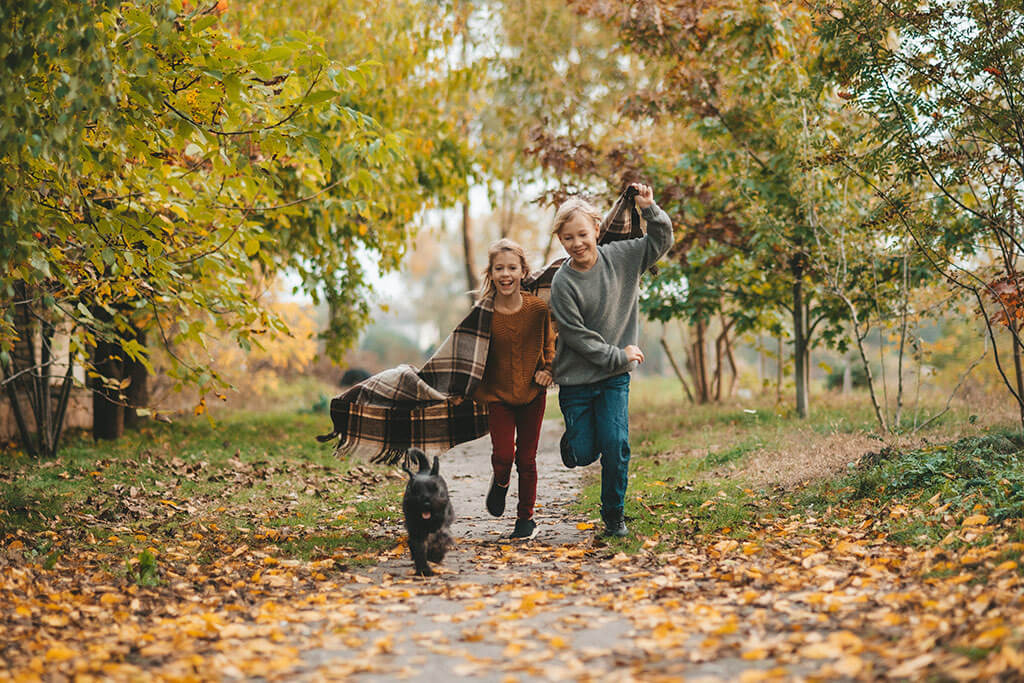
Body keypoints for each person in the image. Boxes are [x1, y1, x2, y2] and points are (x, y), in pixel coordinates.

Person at [549, 183, 673, 537]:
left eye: (583, 234)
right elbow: (577, 337)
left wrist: (650, 209)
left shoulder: (622, 257)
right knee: (587, 451)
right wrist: (619, 354)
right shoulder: (563, 283)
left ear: (597, 230)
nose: (577, 243)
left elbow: (660, 242)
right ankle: (573, 444)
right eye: (568, 237)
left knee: (616, 445)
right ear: (561, 240)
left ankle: (613, 516)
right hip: (576, 381)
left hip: (615, 377)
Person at [473, 239, 555, 540]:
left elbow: (550, 343)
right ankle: (501, 482)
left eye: (512, 267)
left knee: (527, 458)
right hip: (498, 395)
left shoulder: (537, 309)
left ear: (523, 271)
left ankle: (525, 519)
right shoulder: (482, 312)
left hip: (533, 393)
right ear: (491, 273)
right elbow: (467, 350)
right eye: (499, 268)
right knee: (505, 455)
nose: (505, 274)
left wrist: (548, 369)